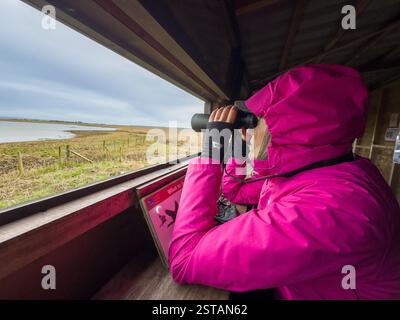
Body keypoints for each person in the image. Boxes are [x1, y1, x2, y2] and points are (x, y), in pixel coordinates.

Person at [168, 64, 400, 299]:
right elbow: (235, 192)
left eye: (257, 121)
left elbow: (184, 259)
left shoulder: (330, 208)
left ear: (281, 127)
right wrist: (238, 146)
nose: (250, 132)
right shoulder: (331, 170)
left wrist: (211, 152)